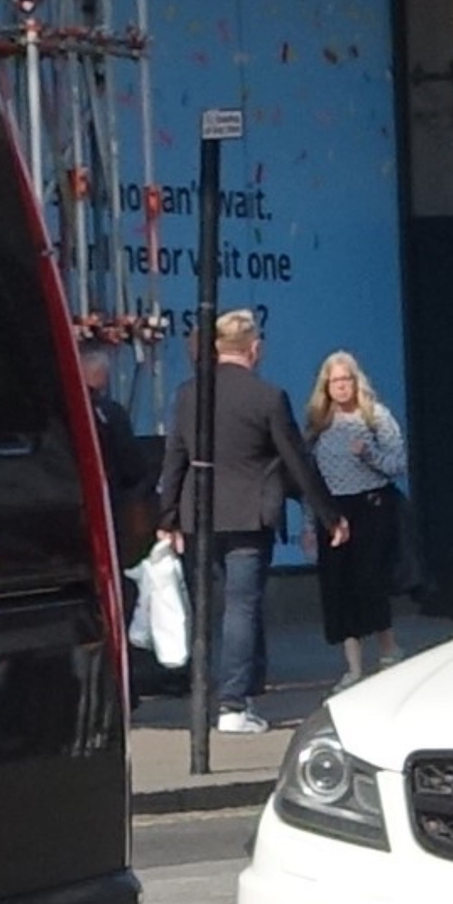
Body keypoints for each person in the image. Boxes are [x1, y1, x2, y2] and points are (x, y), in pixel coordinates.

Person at [156, 311, 349, 734]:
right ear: (254, 349)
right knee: (242, 607)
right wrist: (329, 514)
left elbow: (175, 458)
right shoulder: (268, 397)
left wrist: (166, 517)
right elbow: (297, 462)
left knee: (206, 608)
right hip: (248, 514)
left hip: (197, 516)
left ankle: (207, 697)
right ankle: (233, 705)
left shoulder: (189, 395)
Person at [304, 351, 408, 690]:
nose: (341, 387)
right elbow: (309, 480)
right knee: (338, 587)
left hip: (371, 506)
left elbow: (397, 463)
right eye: (334, 381)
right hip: (332, 511)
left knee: (370, 581)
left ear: (356, 381)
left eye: (346, 380)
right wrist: (309, 522)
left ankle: (389, 650)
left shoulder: (375, 417)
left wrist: (369, 454)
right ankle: (353, 667)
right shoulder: (319, 425)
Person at [81, 343, 155, 574]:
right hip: (107, 502)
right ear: (100, 375)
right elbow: (131, 464)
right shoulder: (109, 413)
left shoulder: (57, 411)